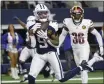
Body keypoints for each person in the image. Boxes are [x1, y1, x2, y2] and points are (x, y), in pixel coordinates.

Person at [27, 4, 93, 84]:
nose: (43, 15)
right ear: (36, 14)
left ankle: (81, 67)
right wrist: (30, 33)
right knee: (31, 77)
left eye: (45, 13)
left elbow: (56, 43)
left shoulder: (51, 26)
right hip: (39, 54)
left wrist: (46, 38)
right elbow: (33, 45)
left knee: (62, 79)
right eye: (40, 13)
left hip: (51, 53)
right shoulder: (32, 27)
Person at [59, 5, 103, 84]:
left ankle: (95, 59)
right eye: (75, 14)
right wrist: (57, 46)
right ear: (71, 14)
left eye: (78, 14)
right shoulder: (67, 22)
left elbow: (97, 34)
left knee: (83, 66)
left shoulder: (87, 22)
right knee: (82, 69)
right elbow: (63, 35)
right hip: (74, 48)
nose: (77, 16)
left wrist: (101, 46)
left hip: (84, 47)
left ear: (82, 14)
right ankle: (95, 58)